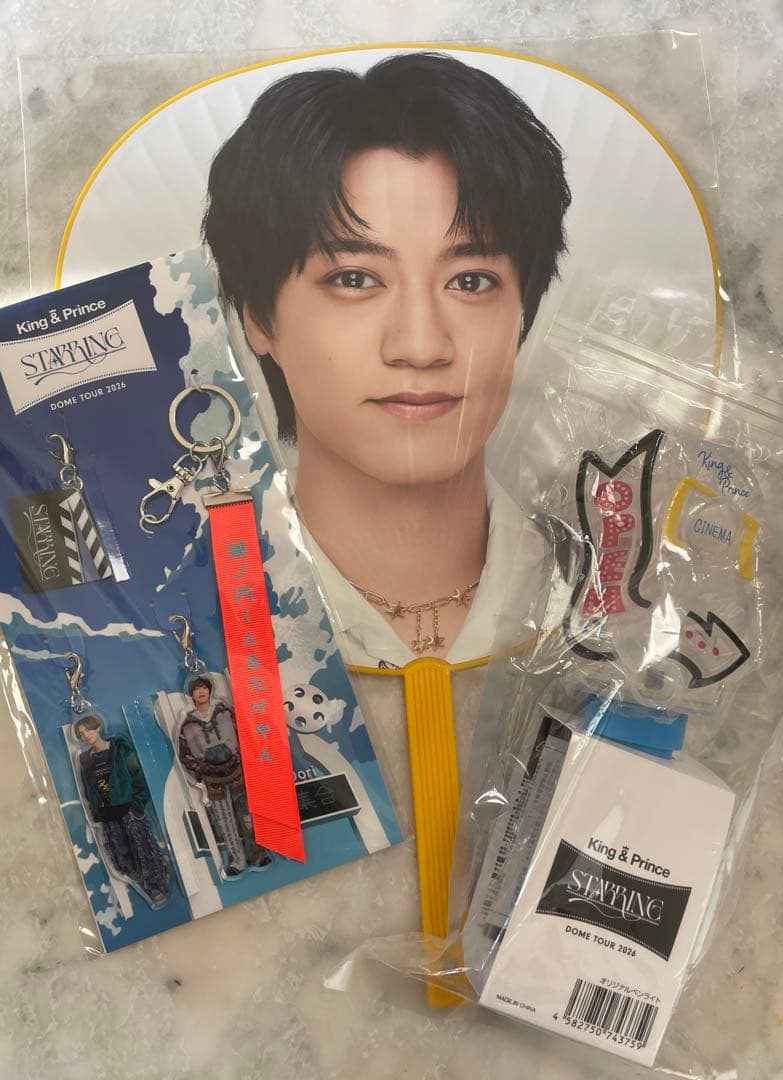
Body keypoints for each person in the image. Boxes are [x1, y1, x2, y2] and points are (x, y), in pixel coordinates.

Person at [203, 51, 571, 668]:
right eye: (354, 279)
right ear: (258, 318)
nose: (421, 346)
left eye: (471, 281)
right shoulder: (177, 627)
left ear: (523, 314)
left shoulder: (620, 606)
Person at [177, 675, 272, 877]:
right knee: (225, 821)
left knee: (247, 816)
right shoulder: (187, 725)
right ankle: (237, 861)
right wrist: (201, 771)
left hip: (237, 773)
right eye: (196, 689)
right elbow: (184, 756)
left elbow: (245, 735)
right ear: (191, 694)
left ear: (210, 690)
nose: (201, 692)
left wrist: (245, 760)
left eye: (204, 687)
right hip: (213, 782)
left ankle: (257, 854)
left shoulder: (226, 712)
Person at [74, 715, 170, 905]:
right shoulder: (85, 760)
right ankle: (145, 880)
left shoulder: (119, 748)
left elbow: (139, 776)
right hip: (107, 814)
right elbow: (88, 790)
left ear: (98, 728)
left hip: (129, 809)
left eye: (88, 730)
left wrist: (137, 804)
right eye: (81, 734)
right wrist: (96, 811)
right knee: (121, 855)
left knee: (142, 847)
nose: (85, 735)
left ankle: (155, 883)